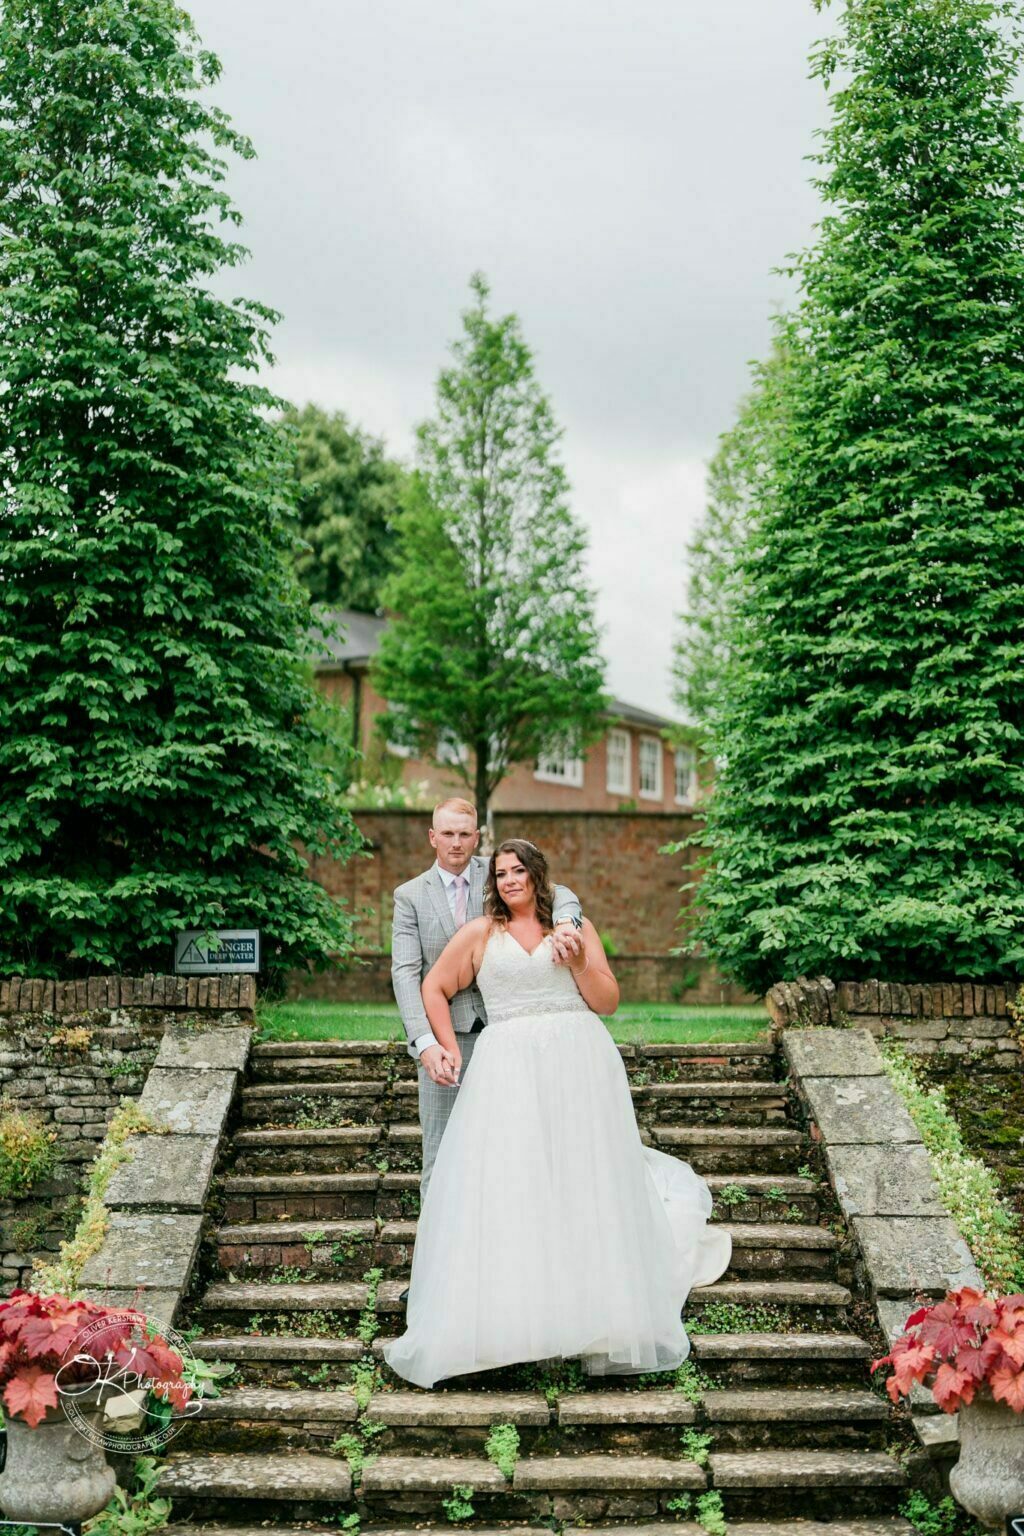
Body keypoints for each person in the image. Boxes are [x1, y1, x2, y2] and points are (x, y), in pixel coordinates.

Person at [382, 838, 732, 1389]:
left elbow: (608, 1000)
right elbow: (434, 985)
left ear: (538, 877)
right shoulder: (478, 935)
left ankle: (592, 1314)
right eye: (500, 874)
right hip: (508, 1073)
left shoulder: (573, 929)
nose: (510, 880)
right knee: (515, 1183)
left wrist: (580, 961)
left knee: (581, 1180)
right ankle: (513, 1318)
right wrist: (443, 1046)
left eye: (519, 871)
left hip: (580, 1067)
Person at [391, 798, 584, 1200]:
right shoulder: (410, 896)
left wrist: (566, 921)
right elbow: (407, 974)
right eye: (447, 834)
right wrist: (427, 1044)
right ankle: (438, 1258)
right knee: (442, 1157)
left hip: (511, 1035)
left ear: (476, 837)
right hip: (450, 1040)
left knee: (513, 1152)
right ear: (432, 837)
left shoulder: (500, 873)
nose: (456, 843)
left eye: (465, 834)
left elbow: (559, 891)